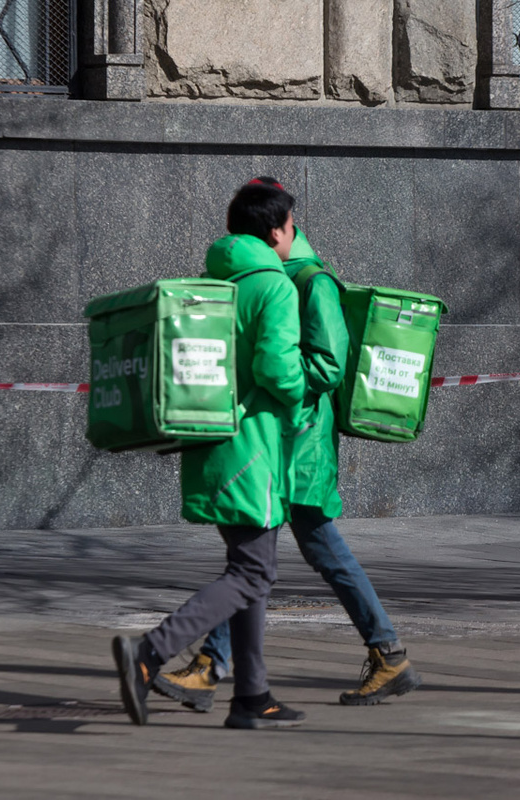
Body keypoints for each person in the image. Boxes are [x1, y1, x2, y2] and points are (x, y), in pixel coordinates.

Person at [152, 177, 422, 712]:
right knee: (264, 559)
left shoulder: (312, 281)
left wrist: (283, 382)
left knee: (290, 555)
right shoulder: (265, 276)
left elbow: (329, 364)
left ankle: (382, 654)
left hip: (301, 447)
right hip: (276, 443)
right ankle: (221, 668)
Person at [112, 181, 309, 730]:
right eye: (293, 225)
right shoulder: (274, 286)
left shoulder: (212, 281)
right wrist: (306, 390)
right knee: (251, 573)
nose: (295, 234)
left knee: (251, 571)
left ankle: (252, 697)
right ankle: (149, 654)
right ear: (275, 232)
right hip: (253, 449)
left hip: (213, 445)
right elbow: (275, 368)